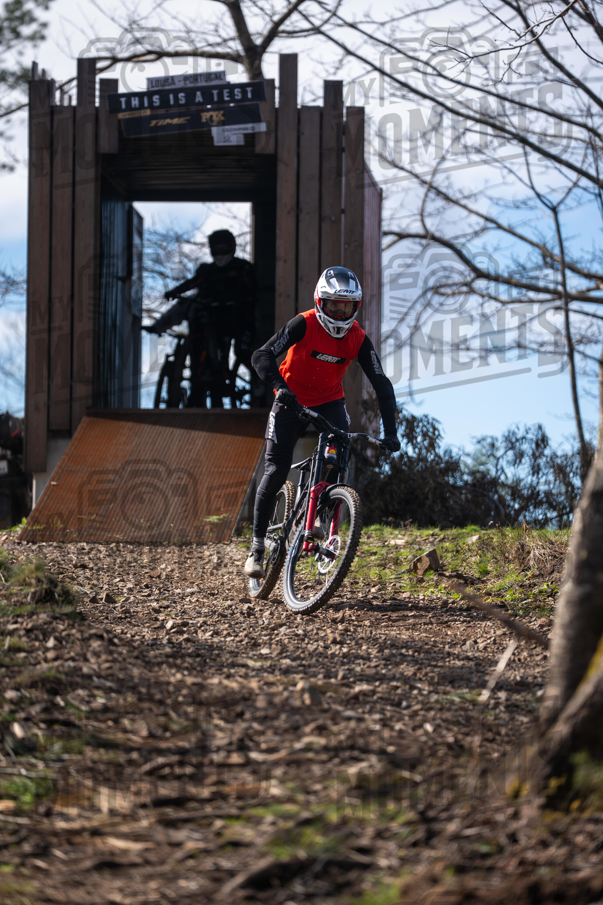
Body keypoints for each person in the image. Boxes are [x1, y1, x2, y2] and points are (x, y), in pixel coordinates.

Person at [244, 265, 401, 578]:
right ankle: (257, 548)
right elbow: (261, 355)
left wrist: (391, 432)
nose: (340, 315)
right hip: (290, 399)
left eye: (347, 308)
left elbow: (382, 385)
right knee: (275, 471)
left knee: (338, 453)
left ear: (356, 308)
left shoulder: (357, 338)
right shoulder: (304, 323)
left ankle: (318, 510)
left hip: (329, 401)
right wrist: (280, 387)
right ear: (320, 302)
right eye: (334, 306)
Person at [145, 229, 258, 407]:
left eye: (223, 249)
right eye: (216, 249)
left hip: (238, 320)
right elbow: (192, 283)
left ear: (232, 247)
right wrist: (174, 292)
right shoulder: (207, 270)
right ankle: (201, 385)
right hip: (212, 320)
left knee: (242, 352)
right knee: (190, 310)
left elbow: (253, 293)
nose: (220, 253)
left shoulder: (243, 268)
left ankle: (260, 382)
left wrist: (237, 301)